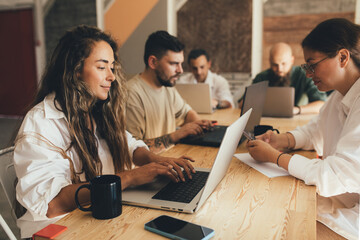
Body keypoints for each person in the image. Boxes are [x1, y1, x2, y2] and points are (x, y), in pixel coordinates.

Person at [13, 26, 196, 238]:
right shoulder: (41, 122)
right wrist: (129, 178)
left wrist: (154, 161)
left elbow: (128, 143)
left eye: (112, 67)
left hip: (96, 218)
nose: (112, 76)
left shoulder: (96, 111)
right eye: (102, 67)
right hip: (58, 230)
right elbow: (53, 205)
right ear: (75, 69)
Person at [246, 18, 359, 240]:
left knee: (281, 227)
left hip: (352, 205)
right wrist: (282, 139)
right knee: (272, 206)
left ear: (343, 57)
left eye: (312, 64)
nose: (308, 73)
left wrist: (275, 157)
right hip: (346, 195)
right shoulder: (340, 95)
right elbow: (315, 131)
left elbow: (333, 175)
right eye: (306, 67)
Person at [126, 31, 214, 154]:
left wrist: (199, 125)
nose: (180, 70)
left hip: (171, 159)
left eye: (181, 63)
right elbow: (133, 150)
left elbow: (187, 113)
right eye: (174, 64)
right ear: (153, 62)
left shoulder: (167, 86)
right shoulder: (132, 94)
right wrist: (176, 135)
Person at [238, 42, 327, 115]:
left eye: (283, 64)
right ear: (270, 61)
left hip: (297, 121)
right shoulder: (262, 77)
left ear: (292, 60)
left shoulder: (304, 75)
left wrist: (296, 110)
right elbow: (242, 104)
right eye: (275, 65)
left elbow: (321, 104)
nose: (279, 69)